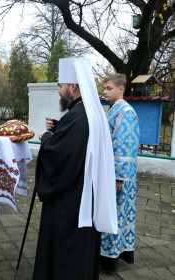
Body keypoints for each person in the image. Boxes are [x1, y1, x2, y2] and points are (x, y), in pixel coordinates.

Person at [33, 58, 117, 280]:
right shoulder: (87, 112)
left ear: (73, 87)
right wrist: (60, 128)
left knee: (65, 256)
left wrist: (47, 137)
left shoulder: (79, 116)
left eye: (61, 86)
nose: (59, 92)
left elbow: (60, 156)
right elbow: (80, 143)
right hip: (84, 193)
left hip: (70, 202)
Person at [100, 74, 140, 271]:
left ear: (121, 89)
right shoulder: (113, 110)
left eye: (109, 88)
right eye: (104, 88)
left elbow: (125, 146)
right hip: (111, 174)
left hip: (118, 177)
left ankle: (110, 260)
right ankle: (106, 255)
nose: (104, 91)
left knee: (116, 215)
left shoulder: (126, 112)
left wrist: (118, 177)